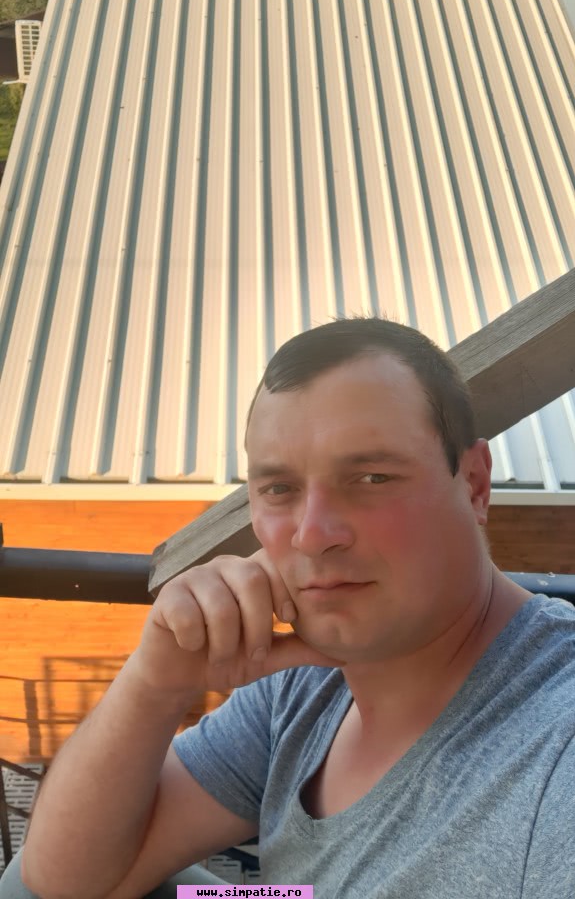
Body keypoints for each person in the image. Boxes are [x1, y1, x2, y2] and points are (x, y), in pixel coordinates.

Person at [2, 317, 575, 899]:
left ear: (474, 484)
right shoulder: (305, 684)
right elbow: (58, 880)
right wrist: (153, 684)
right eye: (279, 489)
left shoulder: (556, 738)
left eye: (372, 477)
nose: (311, 534)